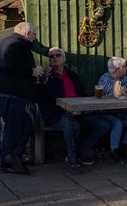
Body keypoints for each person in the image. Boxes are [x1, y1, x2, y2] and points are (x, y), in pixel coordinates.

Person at [40, 47, 109, 169]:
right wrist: (43, 82)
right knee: (72, 125)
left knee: (103, 124)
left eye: (58, 55)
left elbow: (81, 93)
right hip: (58, 114)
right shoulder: (46, 77)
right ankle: (72, 157)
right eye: (52, 56)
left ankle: (83, 150)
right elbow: (42, 98)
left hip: (79, 111)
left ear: (64, 58)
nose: (55, 58)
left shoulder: (73, 75)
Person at [0, 22, 43, 175]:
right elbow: (12, 65)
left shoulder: (6, 42)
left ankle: (10, 158)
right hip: (13, 94)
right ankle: (10, 158)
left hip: (8, 93)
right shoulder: (16, 46)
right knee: (20, 127)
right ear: (27, 34)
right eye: (34, 35)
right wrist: (32, 71)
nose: (34, 38)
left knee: (16, 127)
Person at [96, 57, 127, 164]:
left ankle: (123, 146)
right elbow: (114, 95)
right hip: (107, 112)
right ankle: (114, 151)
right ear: (119, 68)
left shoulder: (125, 78)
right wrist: (119, 85)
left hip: (123, 112)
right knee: (117, 124)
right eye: (125, 66)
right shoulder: (105, 79)